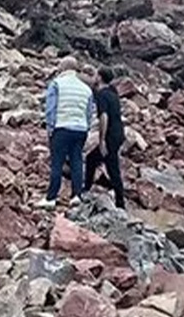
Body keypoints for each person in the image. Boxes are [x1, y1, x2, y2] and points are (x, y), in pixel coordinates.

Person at [36, 56, 95, 209]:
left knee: (57, 163)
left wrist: (50, 128)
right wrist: (86, 127)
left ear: (62, 68)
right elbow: (89, 112)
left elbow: (51, 109)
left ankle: (51, 198)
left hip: (61, 128)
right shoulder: (86, 89)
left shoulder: (56, 84)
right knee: (77, 161)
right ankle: (76, 195)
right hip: (80, 129)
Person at [84, 66, 126, 209]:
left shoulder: (102, 95)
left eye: (96, 75)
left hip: (110, 135)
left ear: (100, 77)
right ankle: (88, 189)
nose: (94, 77)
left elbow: (104, 116)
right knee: (94, 159)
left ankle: (120, 203)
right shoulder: (112, 92)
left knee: (111, 166)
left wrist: (102, 141)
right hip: (119, 132)